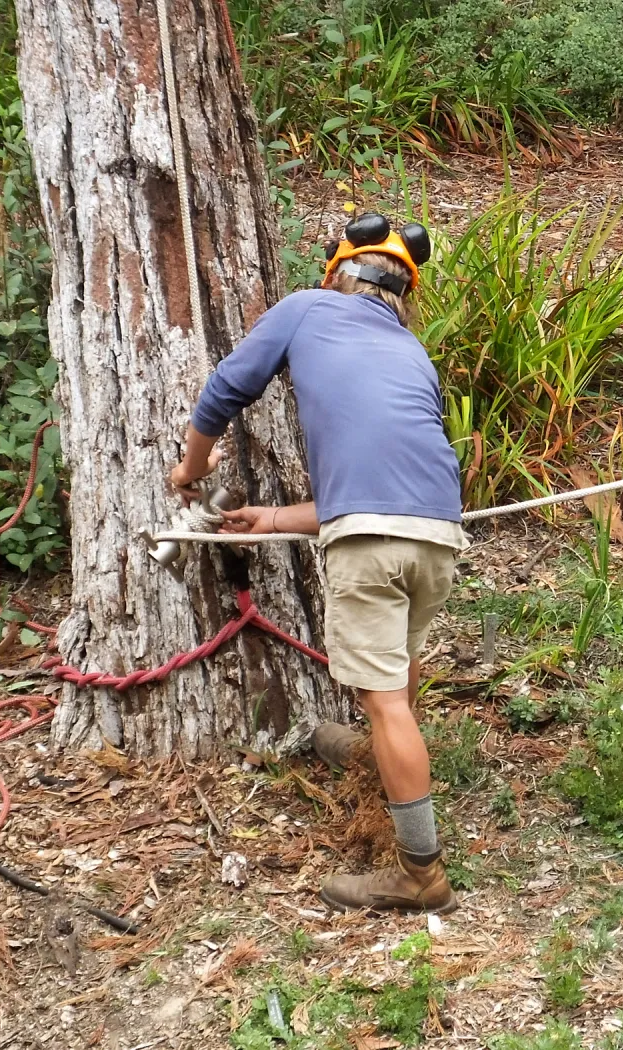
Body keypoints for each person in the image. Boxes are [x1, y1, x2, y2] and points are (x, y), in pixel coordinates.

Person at [168, 214, 464, 915]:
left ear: (338, 273)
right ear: (403, 291)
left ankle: (421, 873)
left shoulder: (307, 308)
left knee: (385, 699)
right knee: (399, 671)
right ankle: (378, 760)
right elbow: (372, 488)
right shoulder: (412, 353)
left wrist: (191, 466)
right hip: (438, 533)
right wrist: (271, 520)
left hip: (374, 541)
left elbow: (225, 391)